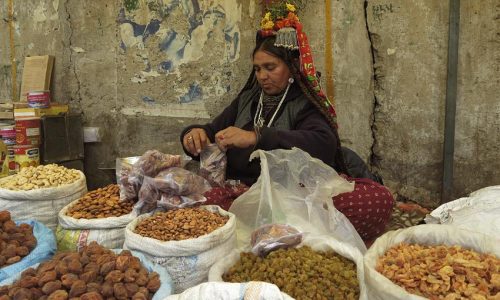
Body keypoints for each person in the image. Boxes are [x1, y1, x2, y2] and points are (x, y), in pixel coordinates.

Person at [180, 2, 393, 243]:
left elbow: (324, 143)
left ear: (291, 68)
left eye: (270, 67)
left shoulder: (303, 103)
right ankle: (280, 230)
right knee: (194, 202)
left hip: (296, 195)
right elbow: (212, 130)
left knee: (376, 200)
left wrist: (257, 136)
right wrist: (194, 134)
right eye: (258, 69)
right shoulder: (249, 98)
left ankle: (274, 228)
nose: (262, 76)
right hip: (246, 191)